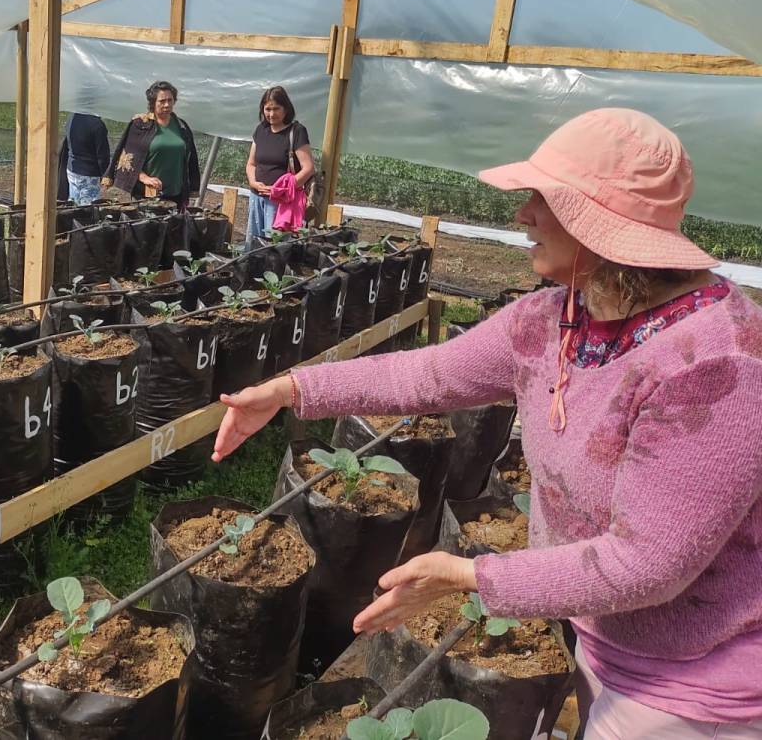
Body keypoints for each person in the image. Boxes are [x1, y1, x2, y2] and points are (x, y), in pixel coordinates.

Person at [213, 109, 762, 739]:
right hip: (608, 635)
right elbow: (429, 376)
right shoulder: (559, 316)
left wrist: (468, 576)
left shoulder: (718, 364)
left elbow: (648, 565)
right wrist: (290, 390)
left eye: (543, 199)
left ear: (596, 224)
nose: (522, 216)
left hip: (699, 685)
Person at [102, 81, 199, 208]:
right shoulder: (141, 125)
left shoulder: (181, 126)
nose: (167, 105)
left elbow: (191, 159)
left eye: (170, 100)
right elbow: (125, 158)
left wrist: (192, 185)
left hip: (176, 194)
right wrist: (143, 177)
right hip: (147, 195)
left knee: (175, 227)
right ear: (153, 102)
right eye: (162, 101)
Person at [245, 85, 314, 242]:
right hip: (257, 197)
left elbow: (308, 168)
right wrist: (253, 182)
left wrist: (282, 190)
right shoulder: (261, 130)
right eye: (267, 109)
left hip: (280, 203)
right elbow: (251, 164)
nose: (271, 114)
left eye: (276, 109)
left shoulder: (296, 132)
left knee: (275, 246)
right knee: (254, 243)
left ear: (286, 109)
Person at [61, 112, 109, 205]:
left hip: (72, 169)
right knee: (88, 210)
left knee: (73, 203)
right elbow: (103, 156)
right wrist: (106, 175)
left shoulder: (72, 117)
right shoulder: (97, 125)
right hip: (89, 174)